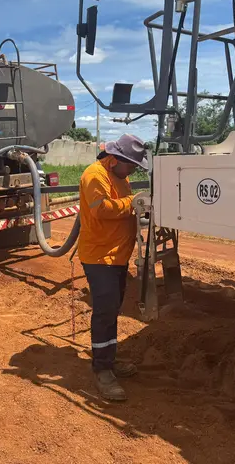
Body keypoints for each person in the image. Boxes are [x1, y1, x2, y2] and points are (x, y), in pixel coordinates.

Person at [78, 133, 148, 401]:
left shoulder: (120, 175)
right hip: (99, 257)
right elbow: (102, 210)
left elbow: (122, 209)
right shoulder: (95, 175)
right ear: (117, 159)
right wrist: (133, 203)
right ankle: (102, 371)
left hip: (116, 257)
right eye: (132, 165)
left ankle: (108, 359)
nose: (133, 170)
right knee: (105, 313)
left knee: (112, 311)